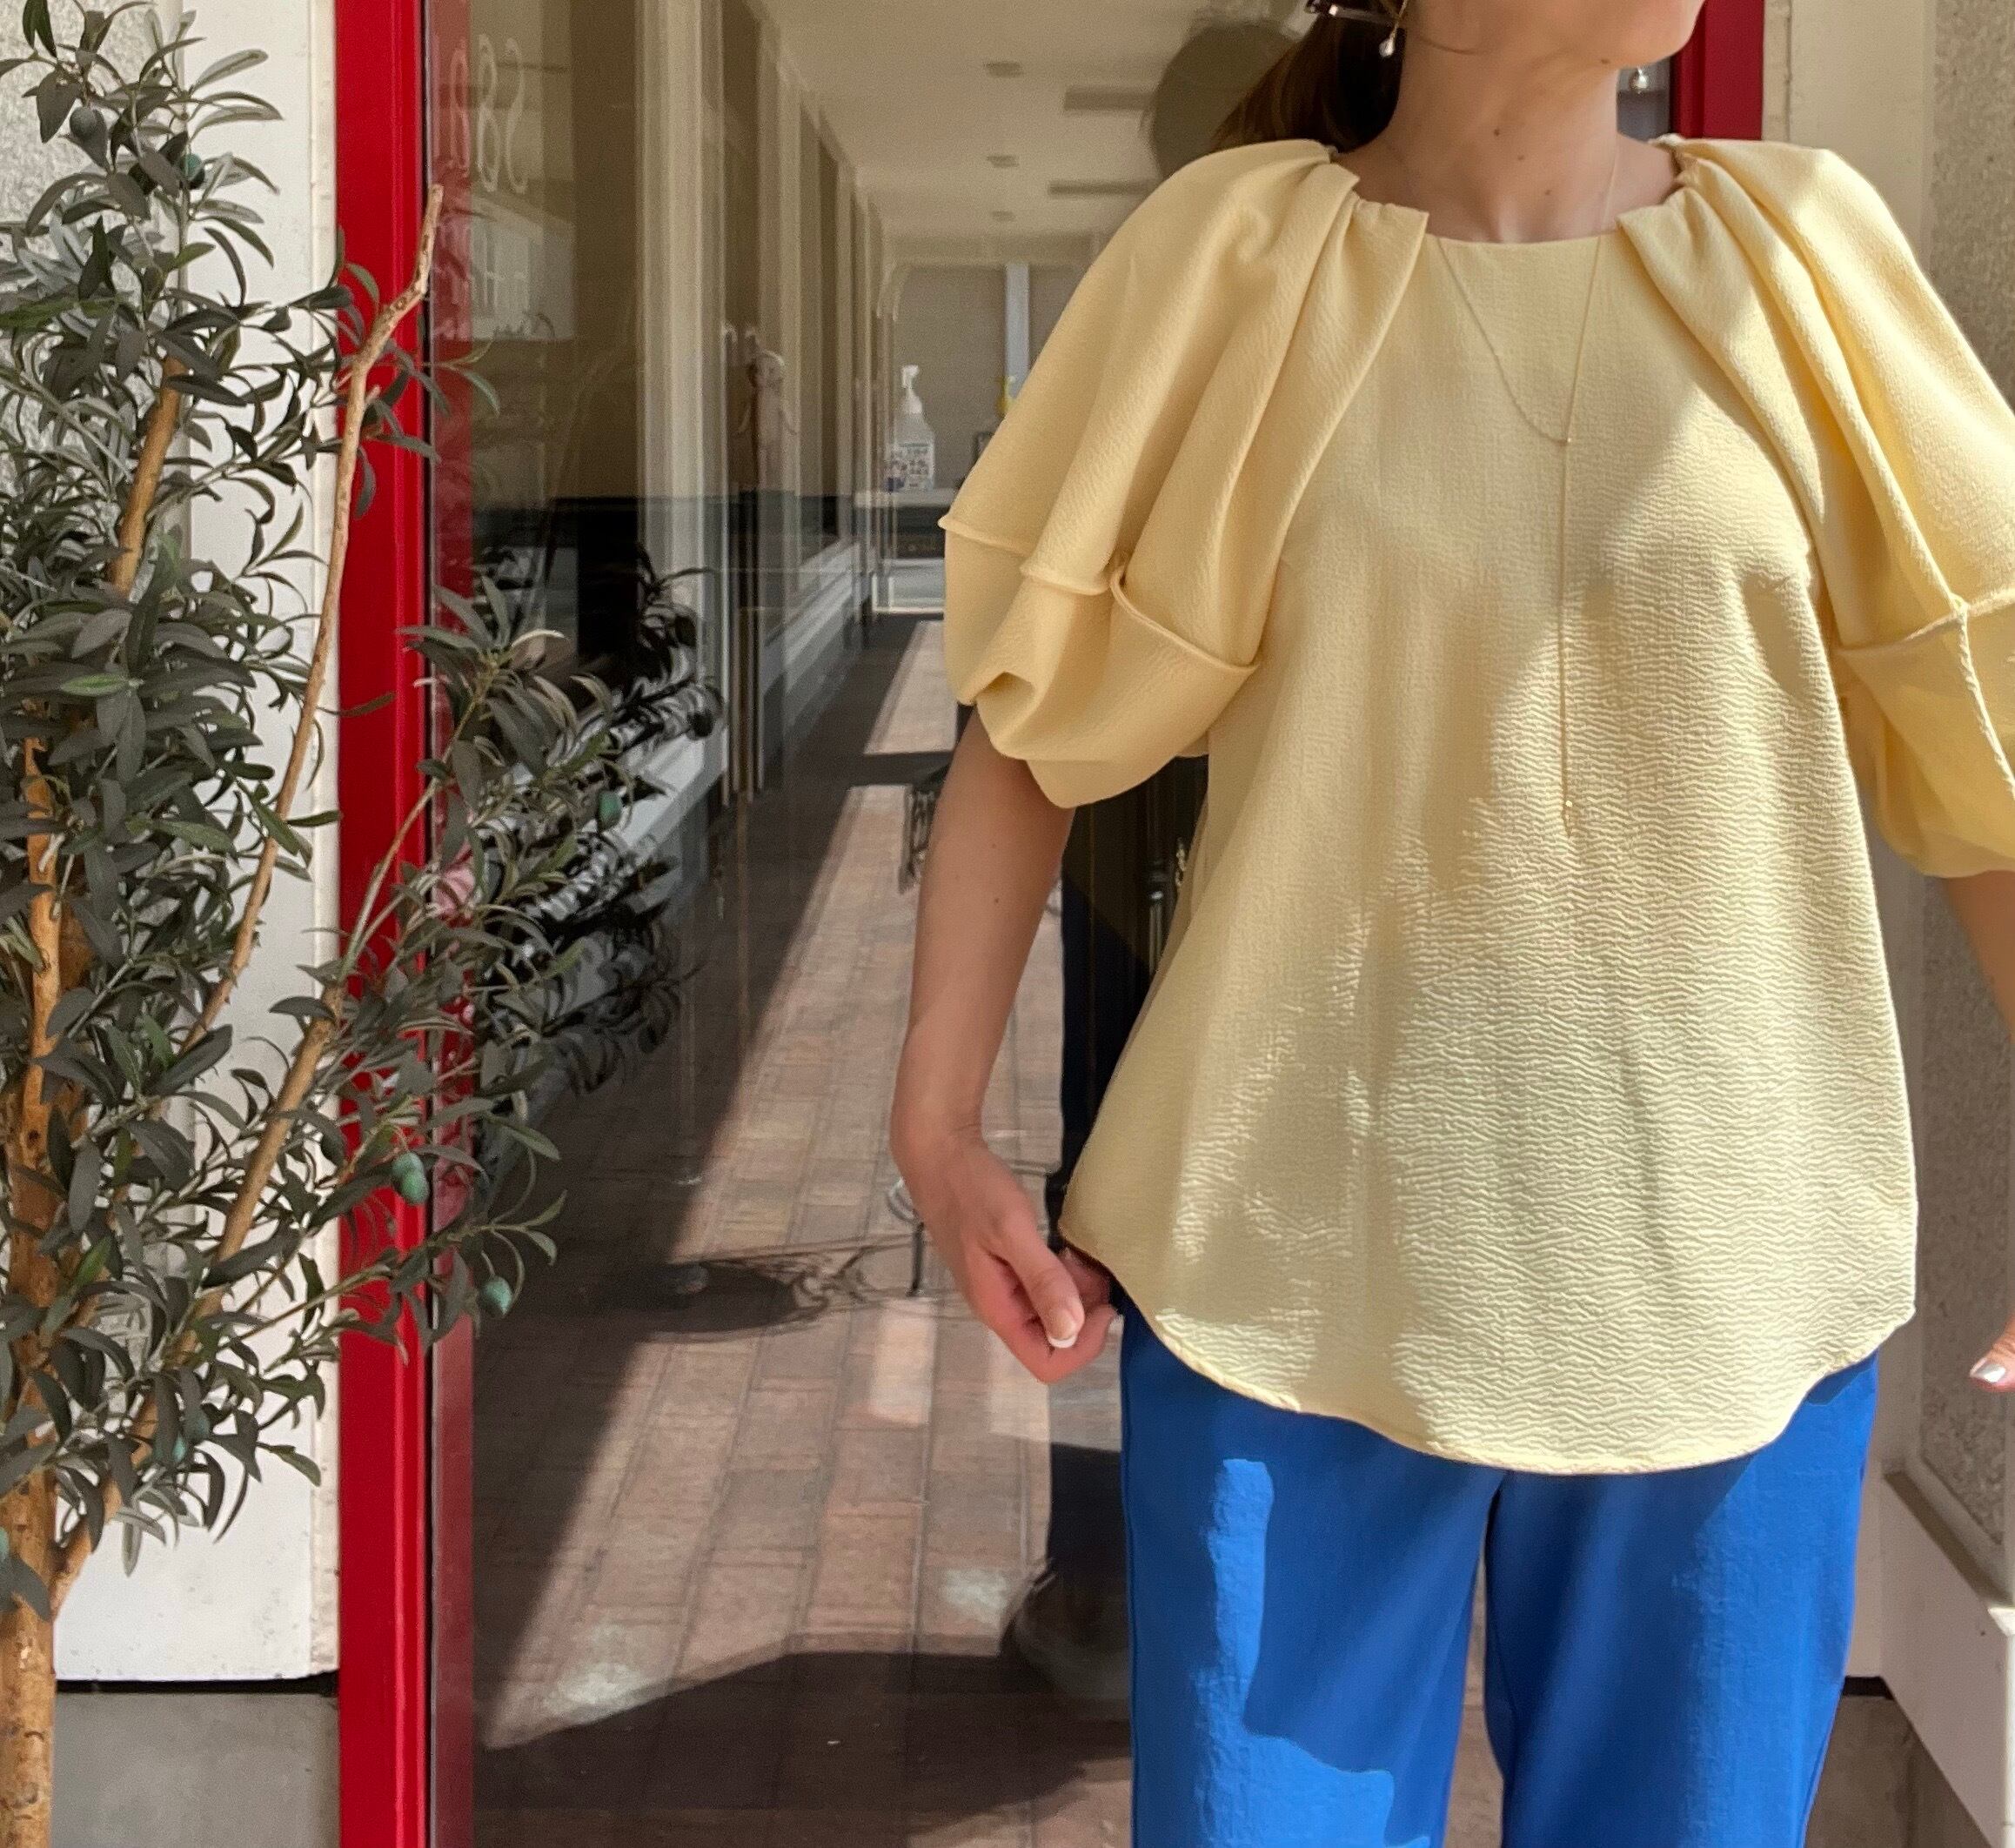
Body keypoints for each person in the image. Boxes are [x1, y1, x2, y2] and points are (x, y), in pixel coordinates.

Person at [889, 1, 2015, 1842]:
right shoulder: (1233, 259)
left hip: (1730, 1272)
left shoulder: (1805, 259)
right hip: (1287, 1269)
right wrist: (937, 1126)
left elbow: (1996, 741)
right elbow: (1032, 716)